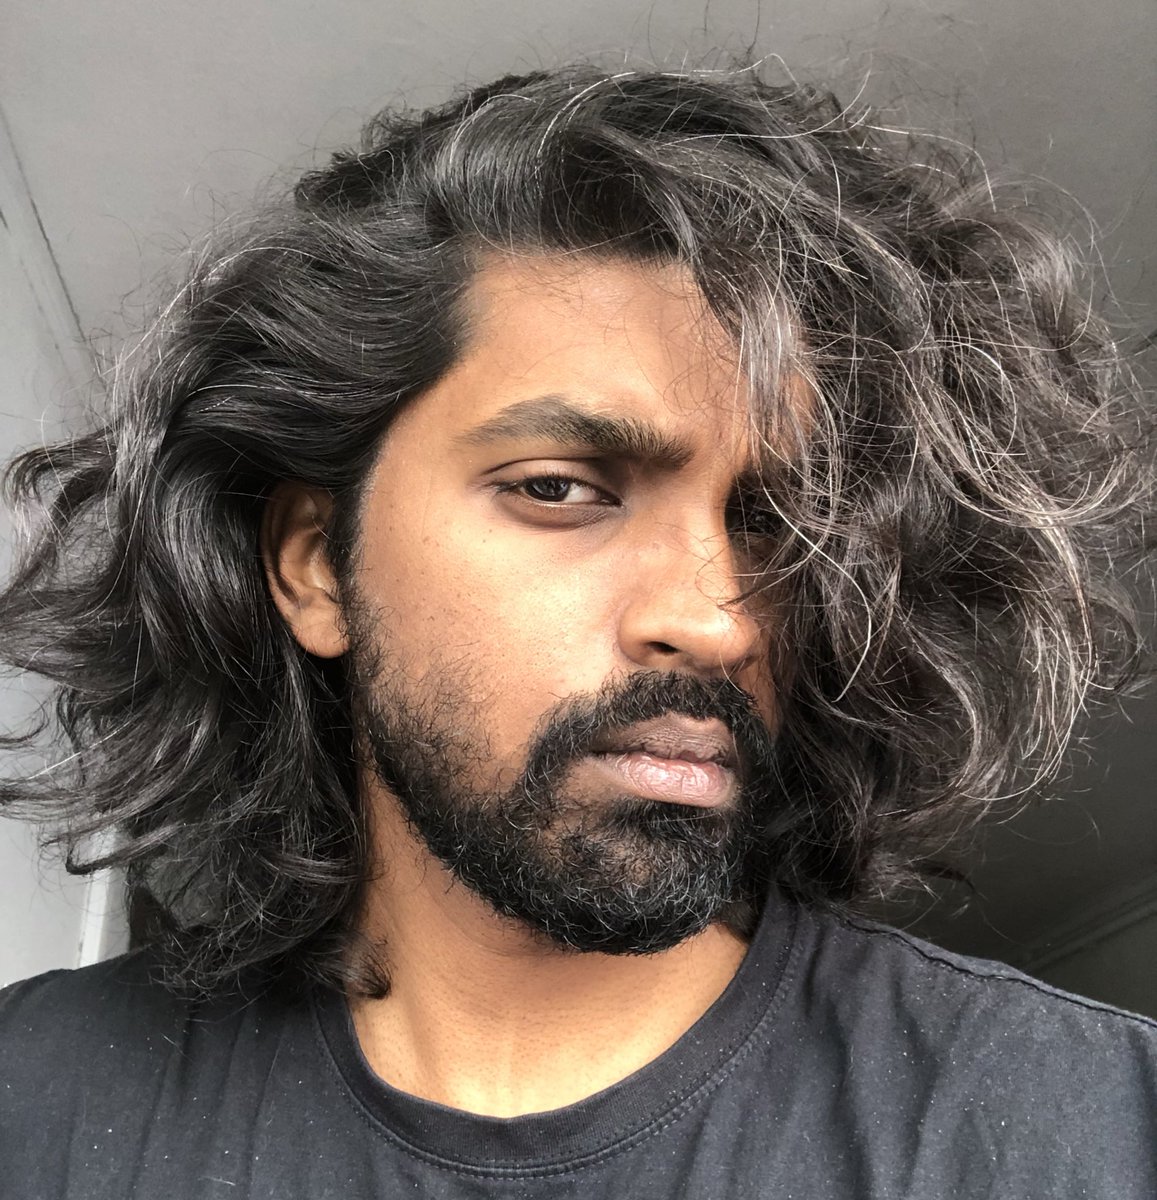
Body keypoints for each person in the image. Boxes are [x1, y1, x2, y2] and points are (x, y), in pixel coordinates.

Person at [0, 63, 1153, 1199]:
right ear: (314, 565)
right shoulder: (36, 1099)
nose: (713, 621)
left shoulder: (1091, 1125)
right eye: (559, 489)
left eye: (772, 524)